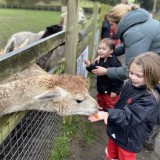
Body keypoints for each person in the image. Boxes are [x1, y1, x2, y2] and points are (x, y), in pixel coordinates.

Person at [89, 52, 160, 160]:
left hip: (129, 138)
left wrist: (108, 114)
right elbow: (120, 105)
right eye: (131, 73)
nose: (132, 77)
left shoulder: (150, 98)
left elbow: (130, 115)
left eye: (138, 75)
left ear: (152, 75)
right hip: (116, 129)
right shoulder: (130, 84)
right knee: (110, 154)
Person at [91, 4, 160, 80]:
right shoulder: (138, 23)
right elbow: (126, 46)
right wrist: (107, 52)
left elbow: (129, 70)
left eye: (112, 24)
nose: (111, 28)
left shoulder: (134, 33)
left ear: (119, 22)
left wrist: (106, 71)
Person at [84, 38, 123, 111]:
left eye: (104, 49)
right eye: (99, 48)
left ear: (111, 51)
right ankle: (101, 114)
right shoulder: (101, 59)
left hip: (110, 92)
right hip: (101, 89)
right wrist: (89, 66)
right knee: (101, 103)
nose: (100, 51)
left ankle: (111, 118)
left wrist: (115, 91)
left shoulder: (115, 63)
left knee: (111, 105)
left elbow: (118, 79)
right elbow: (96, 69)